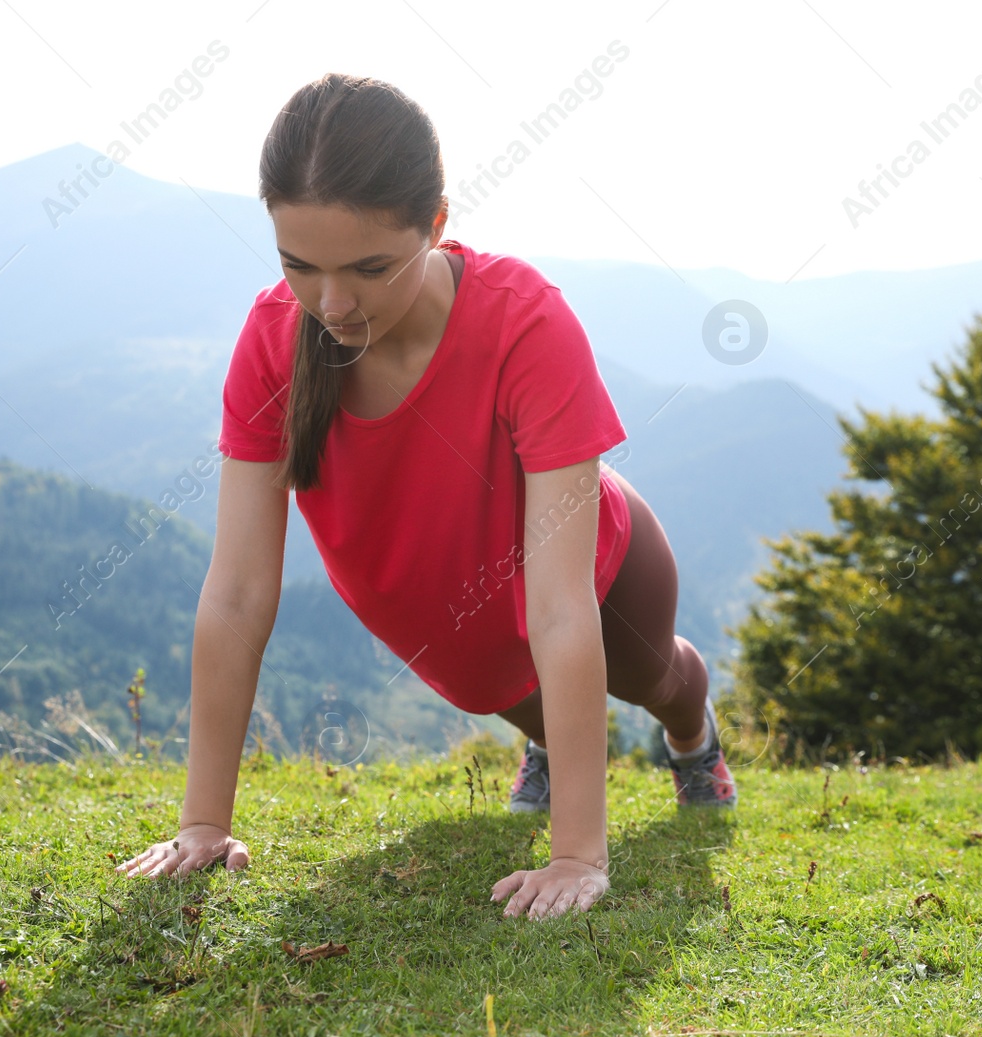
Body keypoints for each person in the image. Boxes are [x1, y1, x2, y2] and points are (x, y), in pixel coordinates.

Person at [116, 73, 736, 920]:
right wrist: (202, 824)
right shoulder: (272, 342)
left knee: (655, 677)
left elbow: (558, 610)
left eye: (369, 268)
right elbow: (236, 592)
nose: (331, 303)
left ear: (437, 223)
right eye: (299, 266)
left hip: (595, 571)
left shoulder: (525, 321)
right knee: (511, 693)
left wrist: (576, 856)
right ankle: (550, 748)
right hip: (461, 633)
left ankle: (695, 741)